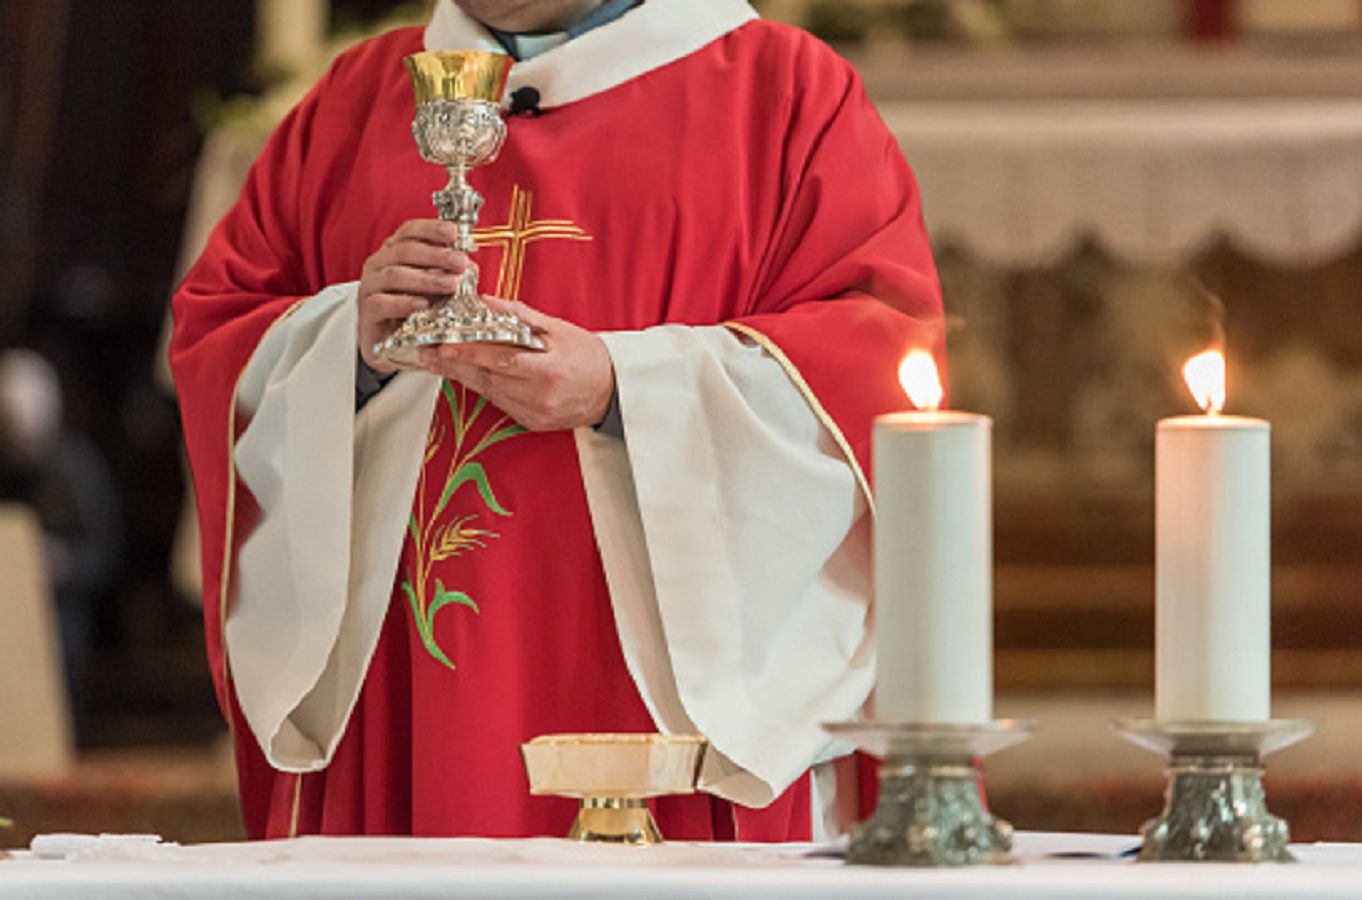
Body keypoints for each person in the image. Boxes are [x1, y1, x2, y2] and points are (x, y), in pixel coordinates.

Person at [171, 0, 943, 841]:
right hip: (413, 700)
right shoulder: (356, 101)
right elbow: (220, 340)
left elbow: (874, 364)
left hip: (653, 703)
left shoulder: (783, 94)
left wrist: (622, 388)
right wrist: (344, 342)